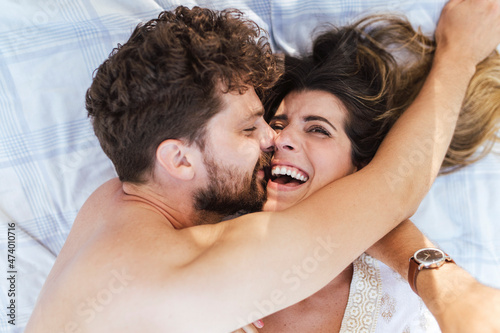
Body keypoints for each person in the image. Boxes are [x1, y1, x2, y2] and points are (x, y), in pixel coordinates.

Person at [25, 1, 500, 332]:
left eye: (315, 129)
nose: (274, 140)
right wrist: (458, 53)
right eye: (251, 129)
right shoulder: (187, 277)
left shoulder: (113, 207)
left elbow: (358, 213)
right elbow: (389, 191)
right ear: (178, 158)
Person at [234, 13, 500, 333]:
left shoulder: (399, 305)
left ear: (359, 168)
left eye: (318, 129)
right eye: (277, 125)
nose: (280, 139)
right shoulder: (200, 243)